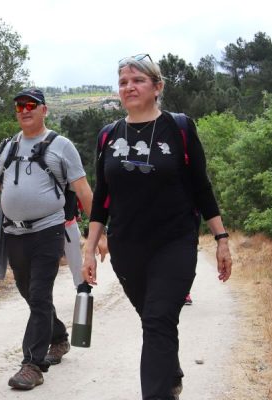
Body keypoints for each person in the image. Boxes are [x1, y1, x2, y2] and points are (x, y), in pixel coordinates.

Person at [81, 54, 233, 400]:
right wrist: (89, 249)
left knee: (158, 320)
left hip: (174, 243)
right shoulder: (108, 135)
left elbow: (201, 187)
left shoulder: (179, 128)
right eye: (123, 82)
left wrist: (221, 239)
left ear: (157, 87)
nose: (129, 87)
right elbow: (101, 197)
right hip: (127, 247)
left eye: (138, 80)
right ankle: (170, 373)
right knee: (154, 320)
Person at [0, 87, 106, 391]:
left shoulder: (61, 146)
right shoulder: (6, 147)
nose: (25, 110)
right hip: (14, 233)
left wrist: (99, 234)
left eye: (31, 105)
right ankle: (59, 337)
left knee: (39, 294)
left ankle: (32, 365)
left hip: (48, 231)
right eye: (19, 106)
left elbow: (84, 191)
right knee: (29, 293)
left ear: (44, 109)